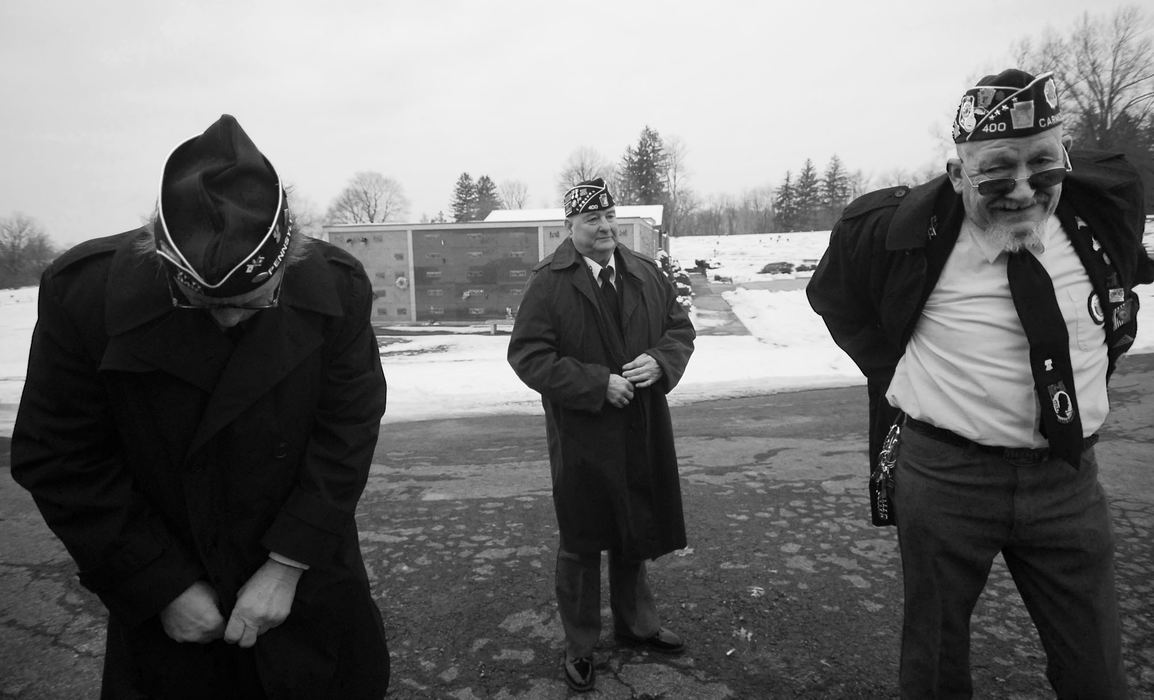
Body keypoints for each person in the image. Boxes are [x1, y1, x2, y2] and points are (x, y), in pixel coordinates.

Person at [11, 115, 390, 699]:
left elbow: (347, 429)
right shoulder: (85, 296)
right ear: (162, 261)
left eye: (251, 304)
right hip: (171, 587)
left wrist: (288, 564)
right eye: (203, 305)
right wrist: (157, 583)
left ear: (289, 260)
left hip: (306, 572)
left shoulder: (335, 286)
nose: (230, 320)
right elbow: (59, 455)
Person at [807, 69, 1153, 698]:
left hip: (1068, 481)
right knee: (936, 667)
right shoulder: (897, 235)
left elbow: (1115, 308)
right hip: (946, 481)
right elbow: (834, 299)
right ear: (957, 172)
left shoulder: (1099, 214)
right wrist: (894, 371)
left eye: (1043, 167)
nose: (1024, 191)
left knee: (1098, 674)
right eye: (996, 172)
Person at [507, 178, 695, 692]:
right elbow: (527, 355)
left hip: (641, 427)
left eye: (609, 215)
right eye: (591, 219)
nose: (605, 226)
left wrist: (661, 362)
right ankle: (581, 644)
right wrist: (595, 383)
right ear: (569, 226)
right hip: (583, 435)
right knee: (582, 540)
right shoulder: (549, 282)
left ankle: (638, 626)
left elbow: (680, 330)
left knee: (634, 528)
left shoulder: (645, 272)